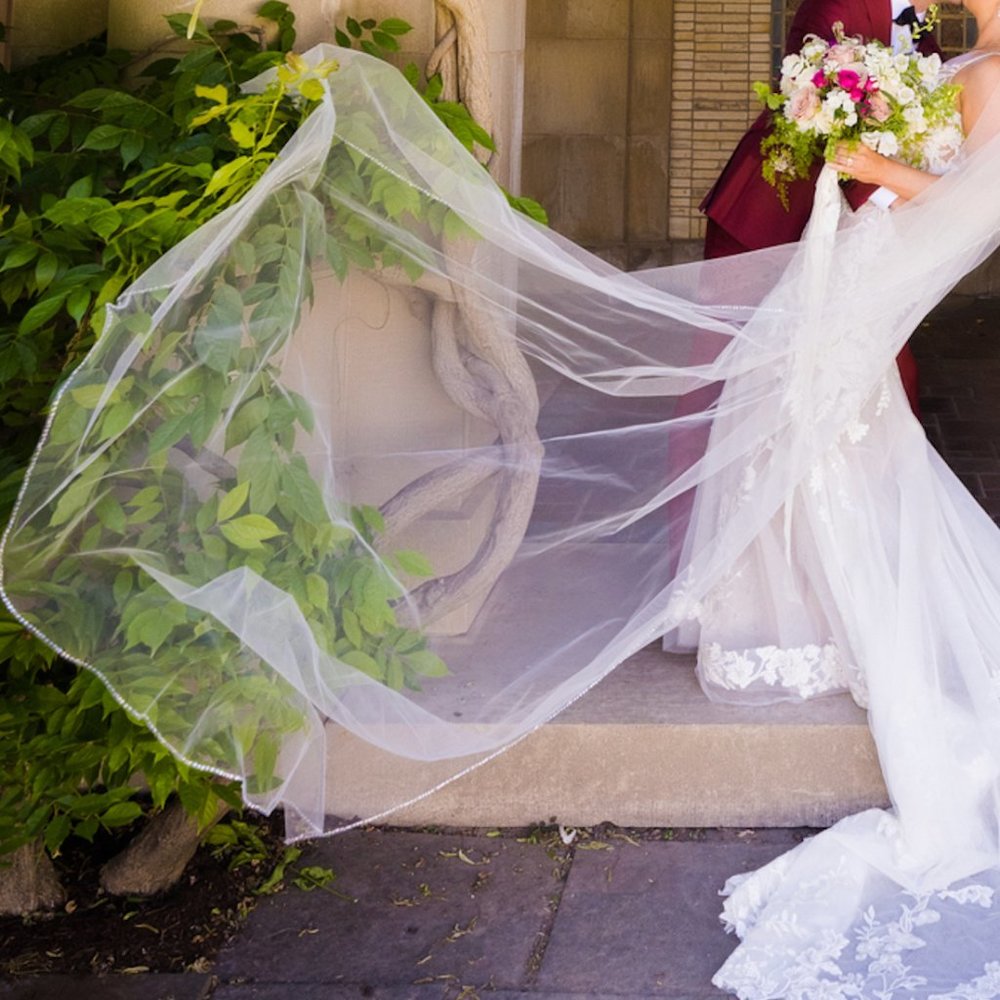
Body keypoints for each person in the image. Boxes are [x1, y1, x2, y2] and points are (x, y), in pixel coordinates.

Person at [5, 9, 1000, 998]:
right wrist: (848, 150)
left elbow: (975, 197)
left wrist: (865, 163)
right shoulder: (959, 55)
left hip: (871, 254)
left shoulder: (992, 71)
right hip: (853, 247)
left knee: (827, 433)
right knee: (804, 429)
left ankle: (836, 612)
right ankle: (798, 614)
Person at [700, 0, 952, 417]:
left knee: (876, 372)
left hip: (848, 235)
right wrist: (890, 193)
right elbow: (812, 113)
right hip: (770, 215)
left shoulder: (926, 39)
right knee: (727, 372)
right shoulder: (836, 4)